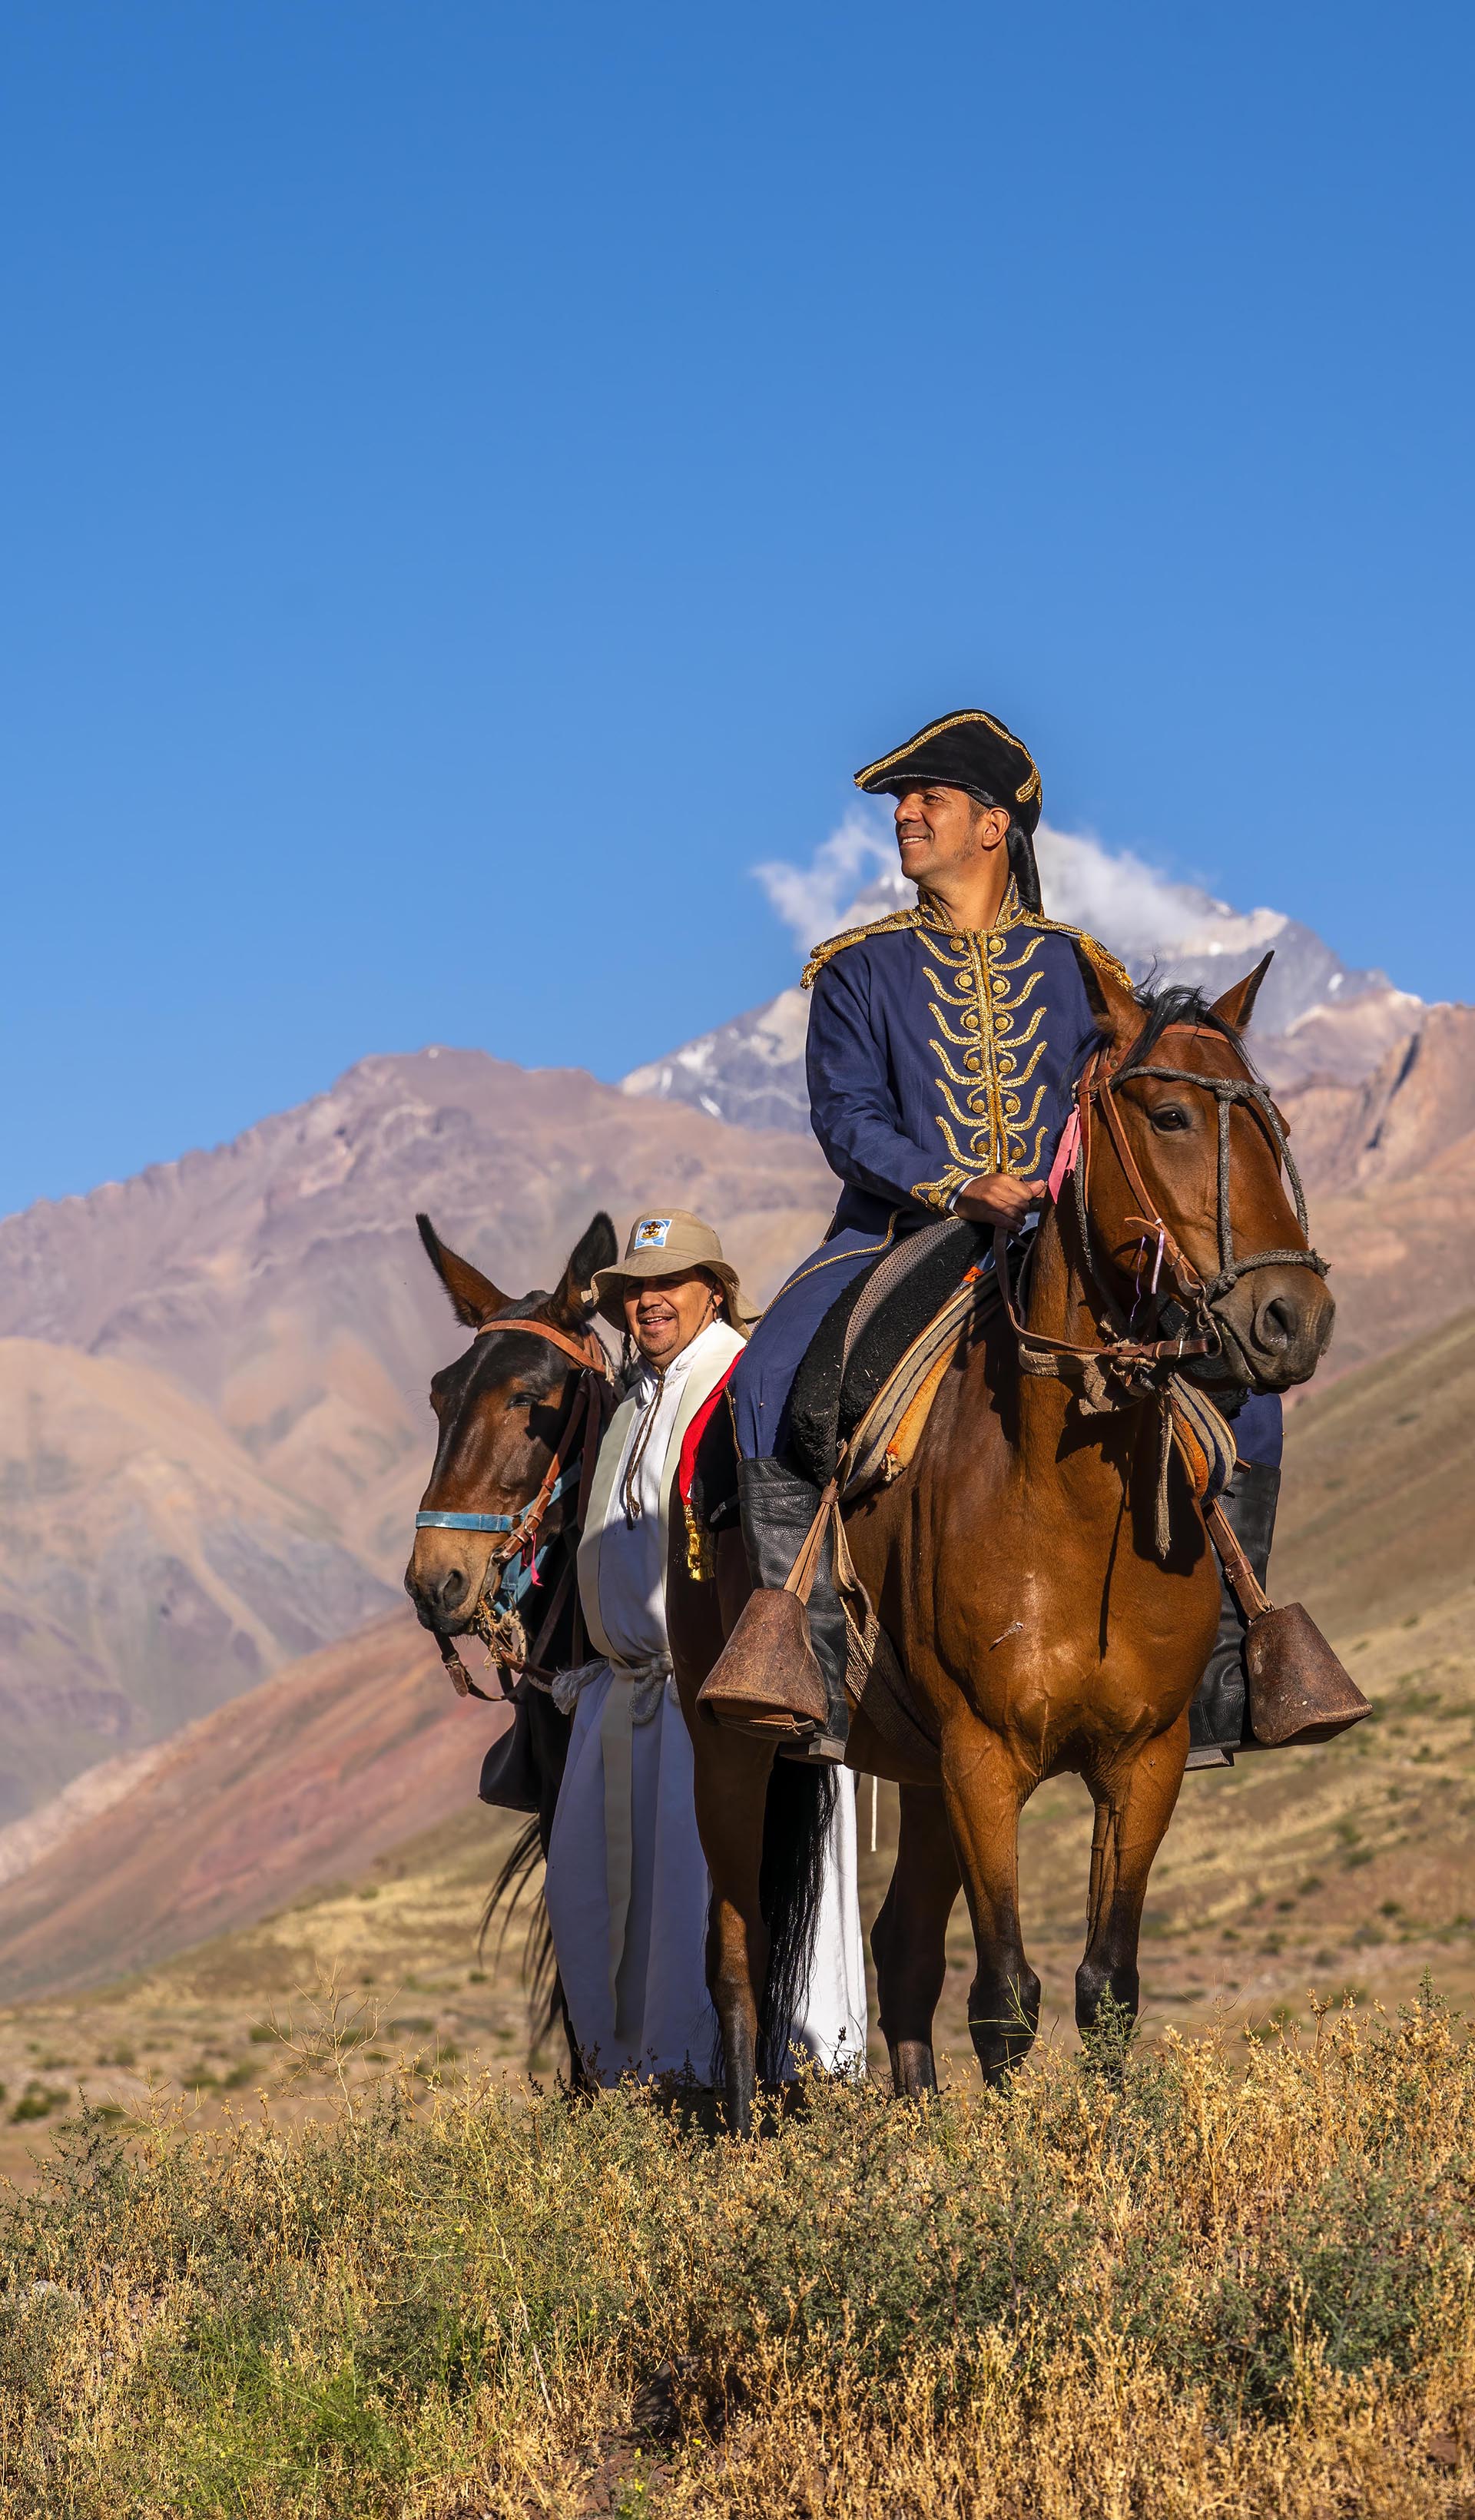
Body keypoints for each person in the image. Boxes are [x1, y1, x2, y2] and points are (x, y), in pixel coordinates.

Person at [711, 707, 1282, 1760]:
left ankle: (1234, 1661)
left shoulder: (1083, 972)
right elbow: (846, 1121)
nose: (905, 817)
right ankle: (804, 1653)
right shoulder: (857, 972)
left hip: (1065, 1244)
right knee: (766, 1375)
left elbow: (1124, 1110)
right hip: (894, 1233)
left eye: (928, 798)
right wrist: (954, 1183)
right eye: (902, 803)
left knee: (1241, 1387)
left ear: (995, 825)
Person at [542, 1207, 867, 2084]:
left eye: (669, 1283)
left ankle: (760, 2082)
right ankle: (643, 2084)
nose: (649, 1302)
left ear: (713, 1292)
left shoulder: (743, 1382)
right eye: (636, 1289)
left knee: (700, 1899)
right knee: (602, 1902)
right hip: (629, 1695)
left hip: (718, 1692)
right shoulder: (639, 1397)